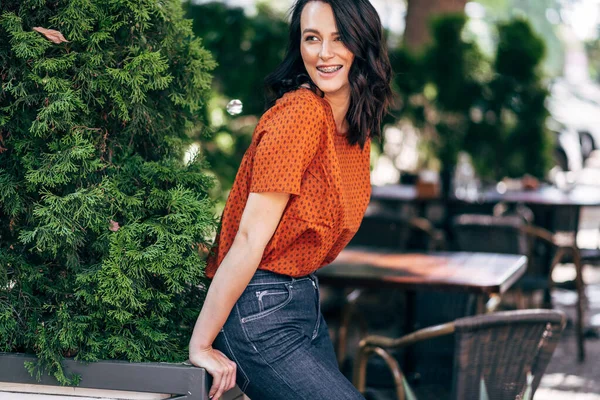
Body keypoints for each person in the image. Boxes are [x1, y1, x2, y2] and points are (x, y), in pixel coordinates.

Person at [188, 0, 393, 398]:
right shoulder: (300, 114)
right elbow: (248, 239)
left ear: (361, 43)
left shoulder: (354, 129)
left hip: (302, 305)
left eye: (339, 38)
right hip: (258, 313)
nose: (324, 53)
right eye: (311, 38)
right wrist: (202, 343)